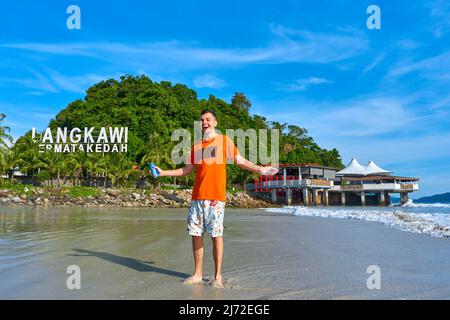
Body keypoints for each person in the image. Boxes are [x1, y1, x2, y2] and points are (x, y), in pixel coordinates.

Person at [153, 109, 278, 288]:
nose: (205, 122)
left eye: (208, 119)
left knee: (215, 235)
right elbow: (185, 170)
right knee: (196, 235)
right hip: (197, 197)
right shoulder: (195, 147)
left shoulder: (224, 141)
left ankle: (217, 276)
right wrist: (163, 172)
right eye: (202, 120)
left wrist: (260, 169)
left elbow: (240, 160)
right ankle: (198, 274)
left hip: (215, 198)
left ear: (215, 123)